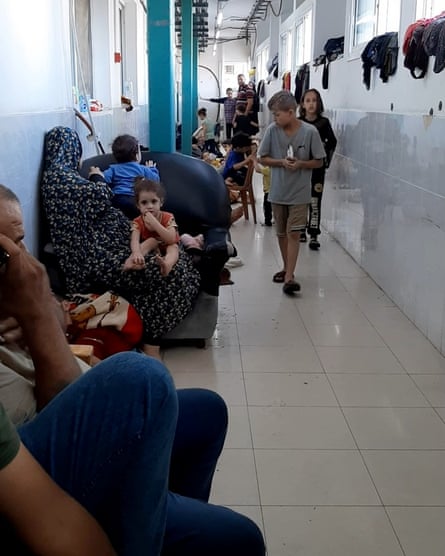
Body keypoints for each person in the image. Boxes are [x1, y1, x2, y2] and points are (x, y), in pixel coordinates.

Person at [0, 184, 266, 556]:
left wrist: (42, 309)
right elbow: (57, 401)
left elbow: (58, 310)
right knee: (143, 377)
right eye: (5, 253)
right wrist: (38, 317)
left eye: (20, 243)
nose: (21, 263)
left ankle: (154, 507)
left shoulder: (18, 290)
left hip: (72, 400)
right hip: (43, 459)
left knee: (209, 411)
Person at [41, 126, 200, 359]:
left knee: (168, 257)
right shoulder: (60, 180)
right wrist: (95, 176)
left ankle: (167, 257)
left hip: (105, 241)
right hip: (93, 253)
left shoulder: (59, 177)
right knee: (167, 270)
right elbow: (99, 195)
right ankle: (150, 339)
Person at [257, 90, 325, 295]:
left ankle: (289, 277)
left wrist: (302, 164)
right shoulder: (272, 131)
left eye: (277, 114)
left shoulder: (310, 132)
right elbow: (262, 157)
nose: (275, 119)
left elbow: (319, 161)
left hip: (300, 193)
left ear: (290, 112)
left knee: (294, 233)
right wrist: (280, 162)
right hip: (277, 192)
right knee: (281, 233)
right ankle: (287, 268)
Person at [299, 88, 337, 249]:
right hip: (300, 169)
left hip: (317, 169)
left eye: (314, 100)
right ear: (302, 104)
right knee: (301, 199)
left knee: (315, 200)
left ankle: (314, 233)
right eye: (308, 100)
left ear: (319, 102)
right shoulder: (298, 123)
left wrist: (324, 157)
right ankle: (300, 228)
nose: (311, 104)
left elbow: (332, 142)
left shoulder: (324, 123)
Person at [123, 179, 179, 277]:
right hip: (153, 246)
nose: (149, 206)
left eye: (154, 201)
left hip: (168, 244)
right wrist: (136, 252)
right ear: (138, 206)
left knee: (173, 248)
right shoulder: (137, 221)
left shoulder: (168, 217)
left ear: (161, 202)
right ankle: (133, 261)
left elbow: (171, 239)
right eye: (144, 203)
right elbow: (134, 240)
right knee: (151, 240)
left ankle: (167, 265)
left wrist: (154, 222)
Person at [102, 134, 160, 219]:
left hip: (118, 199)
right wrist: (152, 169)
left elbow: (104, 179)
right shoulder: (142, 169)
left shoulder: (113, 169)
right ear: (137, 154)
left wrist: (97, 174)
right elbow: (155, 180)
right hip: (135, 201)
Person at [253, 156, 272, 227]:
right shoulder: (273, 168)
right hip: (275, 191)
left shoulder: (268, 170)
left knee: (267, 208)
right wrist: (259, 161)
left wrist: (254, 161)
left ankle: (268, 222)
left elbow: (257, 170)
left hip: (268, 192)